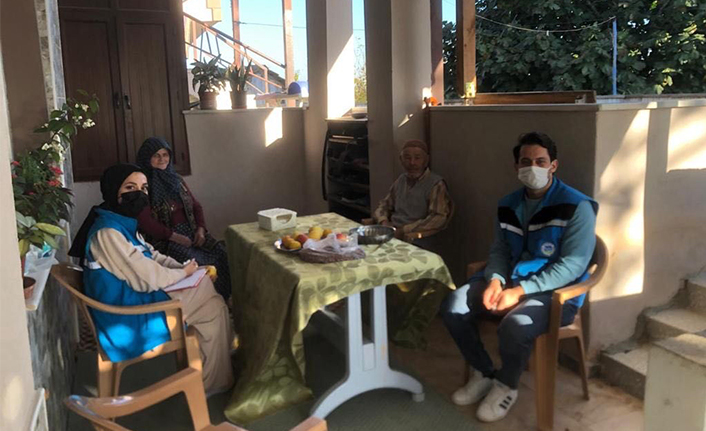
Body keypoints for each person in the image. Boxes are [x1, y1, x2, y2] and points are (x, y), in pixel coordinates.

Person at [441, 132, 598, 423]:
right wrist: (495, 280)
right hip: (510, 282)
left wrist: (521, 290)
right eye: (526, 162)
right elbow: (500, 249)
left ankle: (506, 385)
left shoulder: (577, 207)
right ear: (516, 167)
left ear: (553, 165)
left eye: (541, 161)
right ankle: (484, 372)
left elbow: (572, 266)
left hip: (556, 294)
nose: (533, 167)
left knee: (515, 326)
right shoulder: (508, 205)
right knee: (453, 306)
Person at [69, 164, 234, 395]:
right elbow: (149, 278)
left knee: (214, 306)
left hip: (136, 302)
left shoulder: (121, 222)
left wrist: (184, 267)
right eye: (130, 187)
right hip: (126, 320)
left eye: (144, 188)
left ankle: (216, 372)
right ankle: (214, 378)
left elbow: (152, 255)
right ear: (113, 190)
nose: (139, 193)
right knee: (210, 297)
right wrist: (185, 274)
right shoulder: (108, 233)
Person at [135, 137, 231, 300]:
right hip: (165, 240)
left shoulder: (177, 180)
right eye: (156, 155)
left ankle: (224, 298)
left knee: (221, 254)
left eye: (165, 154)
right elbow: (146, 222)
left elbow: (196, 206)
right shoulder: (143, 184)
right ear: (147, 158)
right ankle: (205, 301)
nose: (162, 159)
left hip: (191, 233)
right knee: (196, 264)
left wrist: (201, 230)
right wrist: (173, 236)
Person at [373, 140, 453, 241]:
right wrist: (383, 222)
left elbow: (438, 218)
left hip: (415, 238)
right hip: (391, 232)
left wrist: (404, 230)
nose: (412, 163)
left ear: (426, 160)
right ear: (401, 160)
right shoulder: (401, 180)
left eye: (417, 158)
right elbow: (384, 205)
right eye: (407, 158)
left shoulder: (436, 184)